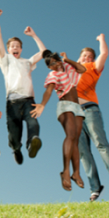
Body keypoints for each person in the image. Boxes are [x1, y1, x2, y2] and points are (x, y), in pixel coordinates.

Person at [0, 8, 45, 165]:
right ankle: (16, 148)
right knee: (14, 135)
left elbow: (44, 52)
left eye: (17, 46)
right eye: (12, 46)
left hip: (29, 100)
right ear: (9, 49)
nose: (15, 48)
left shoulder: (27, 62)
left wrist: (34, 35)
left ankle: (32, 143)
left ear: (21, 49)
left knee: (34, 123)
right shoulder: (6, 60)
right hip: (13, 102)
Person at [76, 34, 109, 201]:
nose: (87, 58)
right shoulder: (70, 71)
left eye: (90, 56)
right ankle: (95, 187)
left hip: (89, 110)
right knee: (83, 152)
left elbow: (104, 54)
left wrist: (102, 39)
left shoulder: (92, 68)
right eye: (84, 56)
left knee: (100, 142)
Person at [31, 51, 87, 192]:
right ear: (49, 67)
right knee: (70, 136)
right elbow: (49, 91)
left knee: (76, 139)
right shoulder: (53, 75)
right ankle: (66, 172)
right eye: (52, 64)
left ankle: (76, 173)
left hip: (77, 107)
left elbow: (82, 69)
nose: (55, 65)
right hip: (65, 105)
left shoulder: (69, 69)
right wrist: (42, 104)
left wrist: (67, 59)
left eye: (57, 61)